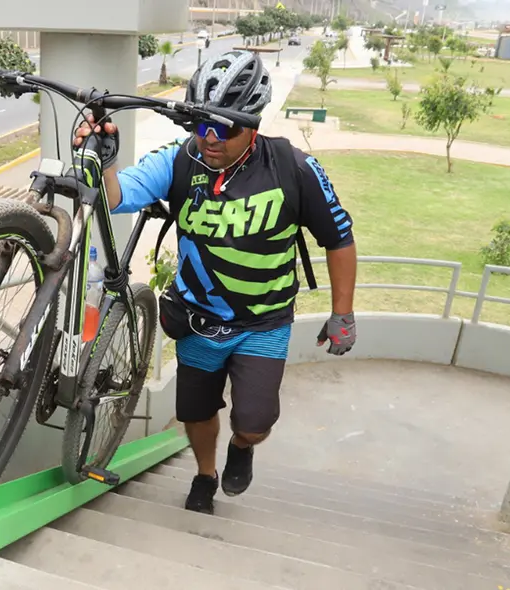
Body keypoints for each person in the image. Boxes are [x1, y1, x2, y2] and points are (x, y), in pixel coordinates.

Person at [73, 50, 358, 514]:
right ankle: (205, 475)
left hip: (263, 324)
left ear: (254, 123)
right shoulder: (180, 161)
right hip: (199, 321)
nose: (209, 137)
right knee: (197, 414)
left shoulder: (294, 168)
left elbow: (339, 238)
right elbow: (117, 197)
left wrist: (342, 311)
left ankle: (242, 448)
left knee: (256, 422)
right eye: (200, 124)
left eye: (224, 127)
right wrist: (105, 161)